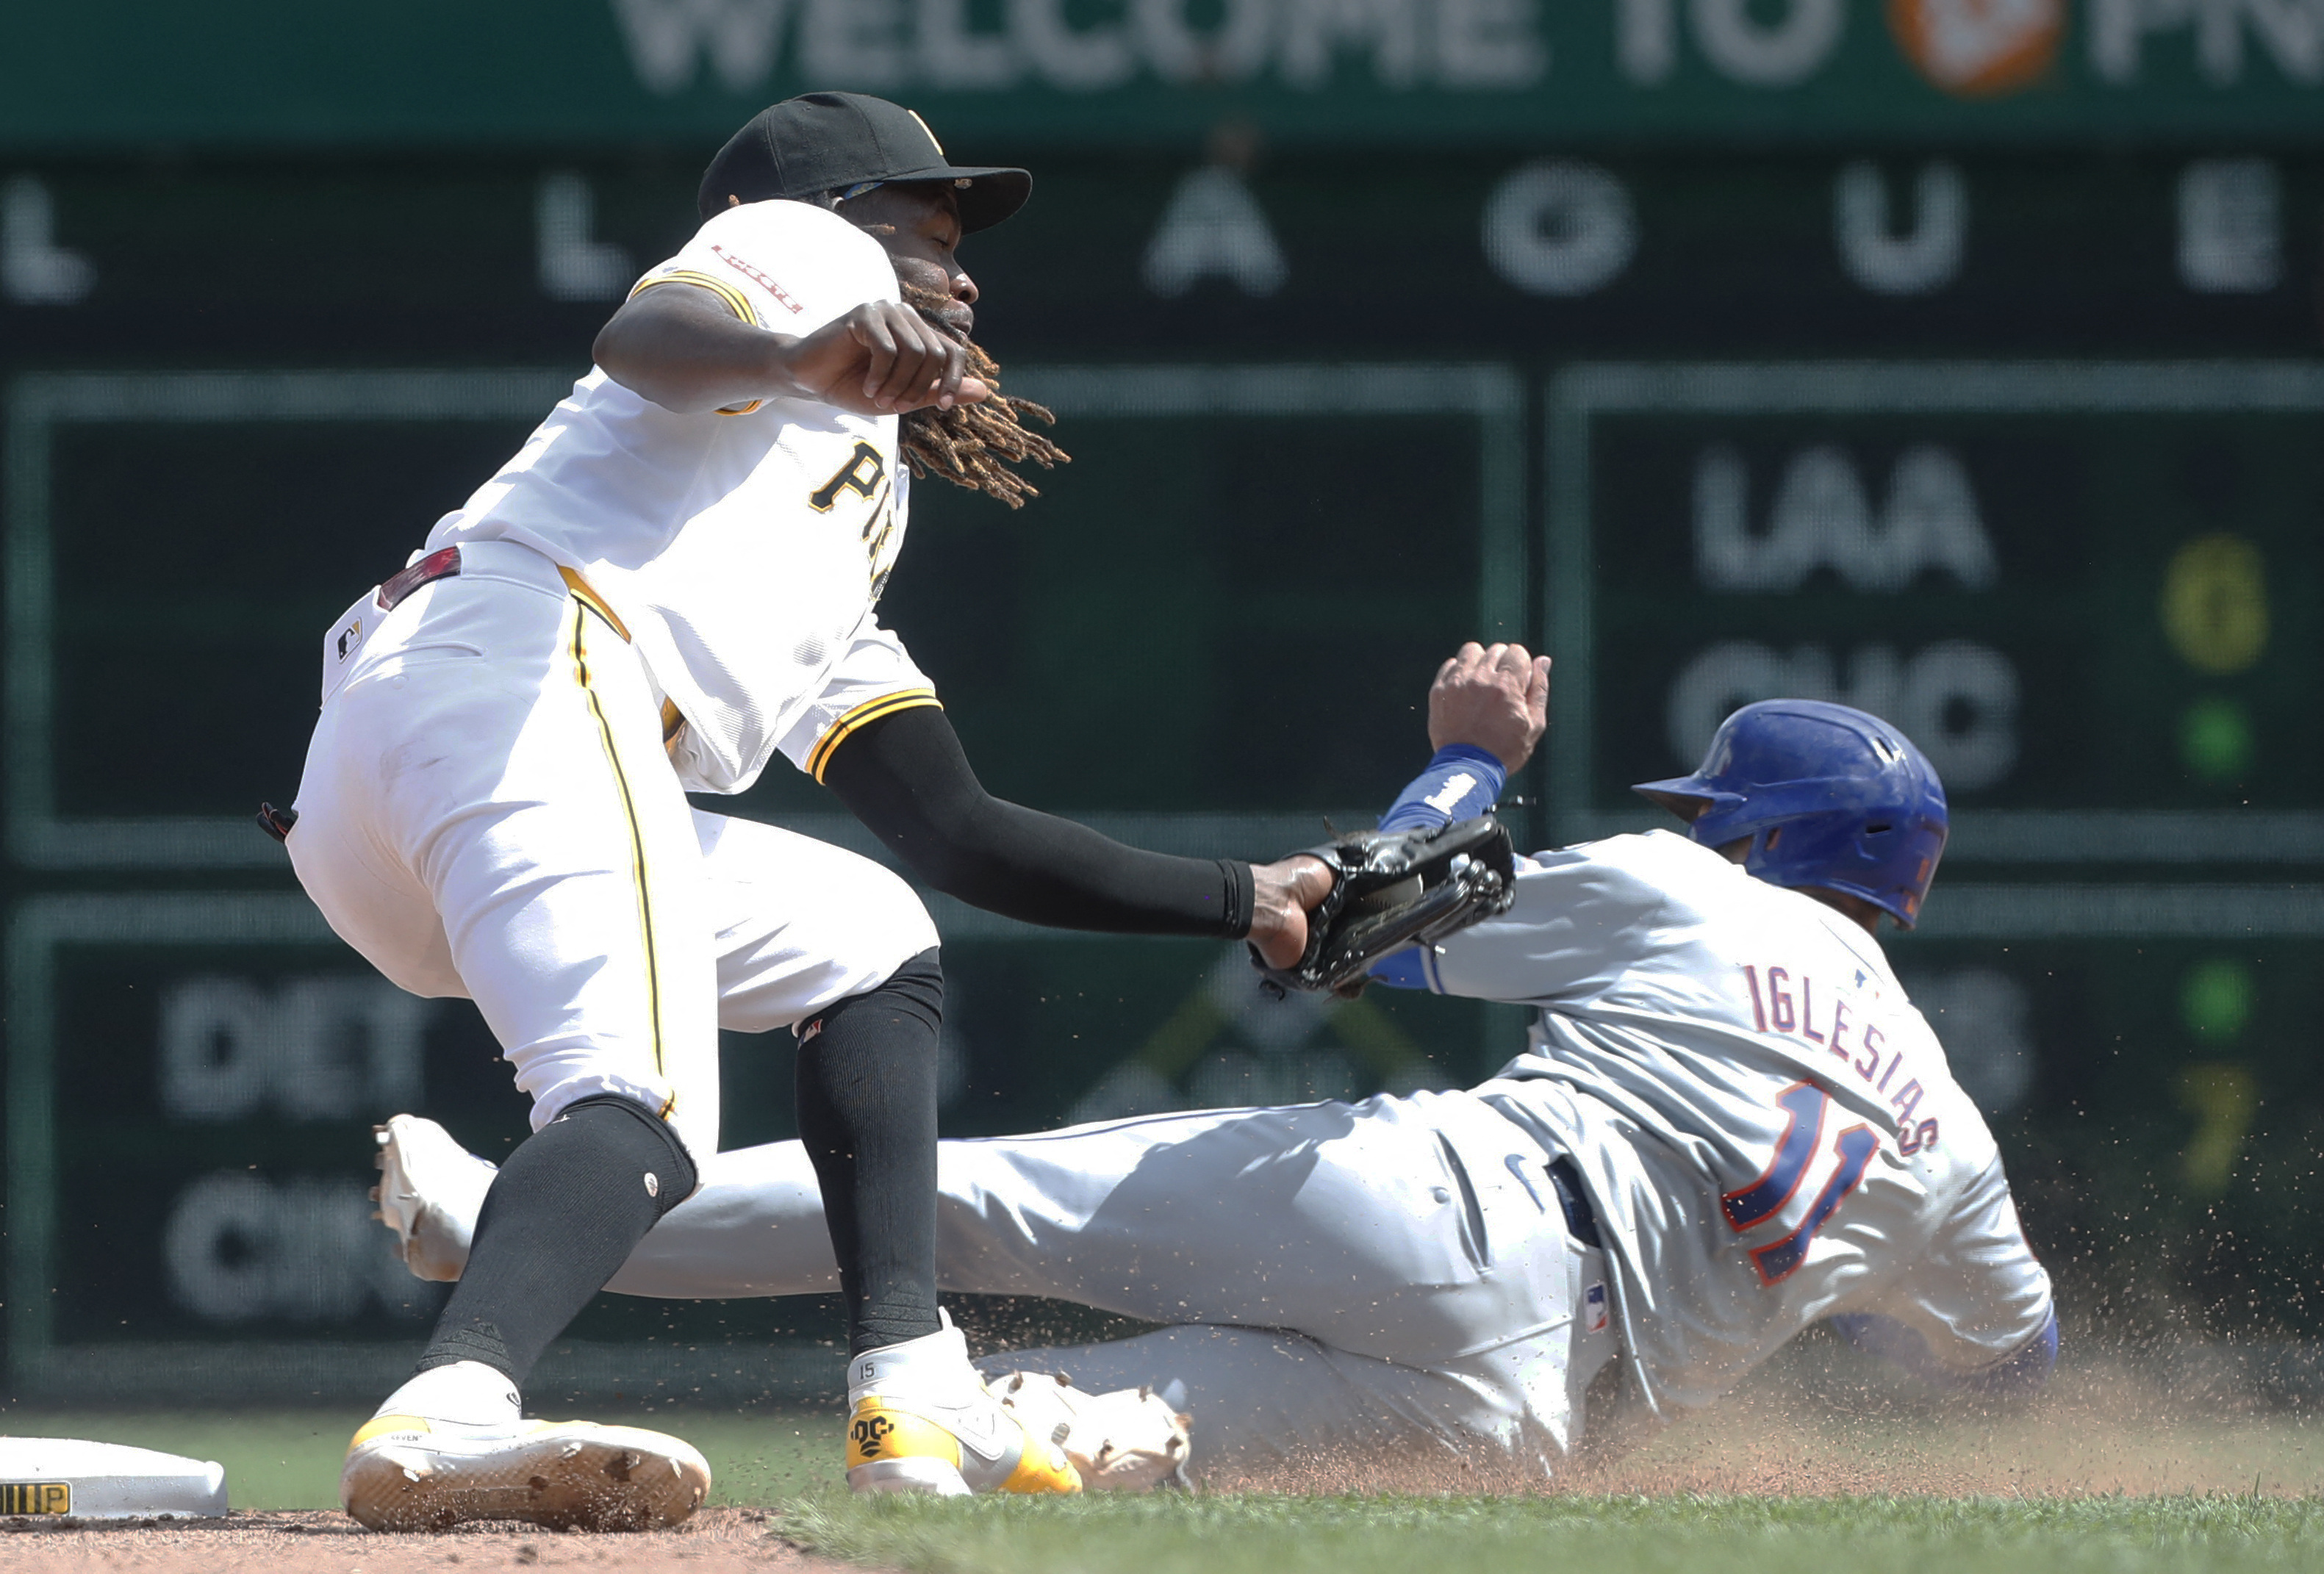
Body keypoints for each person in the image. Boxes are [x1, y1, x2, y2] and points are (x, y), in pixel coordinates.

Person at [284, 90, 1327, 1528]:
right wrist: (798, 342)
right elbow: (645, 343)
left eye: (964, 242)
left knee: (869, 932)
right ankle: (449, 1408)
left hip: (396, 775)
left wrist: (1247, 899)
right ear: (831, 223)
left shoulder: (839, 534)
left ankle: (912, 1388)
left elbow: (957, 829)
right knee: (638, 1114)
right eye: (927, 224)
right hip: (524, 674)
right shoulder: (794, 252)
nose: (960, 270)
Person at [368, 644, 2059, 1484]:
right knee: (1070, 1453)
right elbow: (2018, 1368)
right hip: (1524, 1421)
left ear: (1755, 835)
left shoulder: (1699, 897)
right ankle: (1024, 1447)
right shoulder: (1950, 1141)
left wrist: (1465, 763)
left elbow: (1358, 921)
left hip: (1454, 1213)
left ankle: (498, 1227)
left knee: (950, 1207)